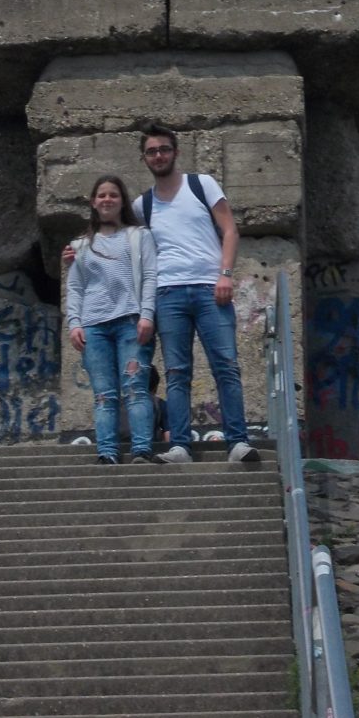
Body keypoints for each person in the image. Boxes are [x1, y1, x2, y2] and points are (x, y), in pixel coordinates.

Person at [133, 123, 259, 465]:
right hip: (168, 293)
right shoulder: (143, 205)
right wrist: (79, 252)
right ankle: (180, 446)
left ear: (175, 152)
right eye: (151, 151)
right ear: (144, 158)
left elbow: (230, 230)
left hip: (210, 288)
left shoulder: (201, 184)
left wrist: (225, 274)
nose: (158, 156)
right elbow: (122, 243)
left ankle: (237, 441)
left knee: (226, 366)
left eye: (164, 149)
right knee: (176, 373)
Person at [64, 174, 158, 465]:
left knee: (136, 388)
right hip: (94, 326)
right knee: (104, 395)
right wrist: (74, 323)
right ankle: (107, 452)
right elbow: (75, 287)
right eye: (102, 195)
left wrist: (147, 315)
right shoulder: (80, 245)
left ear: (122, 201)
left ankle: (141, 449)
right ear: (93, 202)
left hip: (130, 321)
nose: (107, 200)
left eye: (113, 195)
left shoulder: (139, 235)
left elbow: (150, 276)